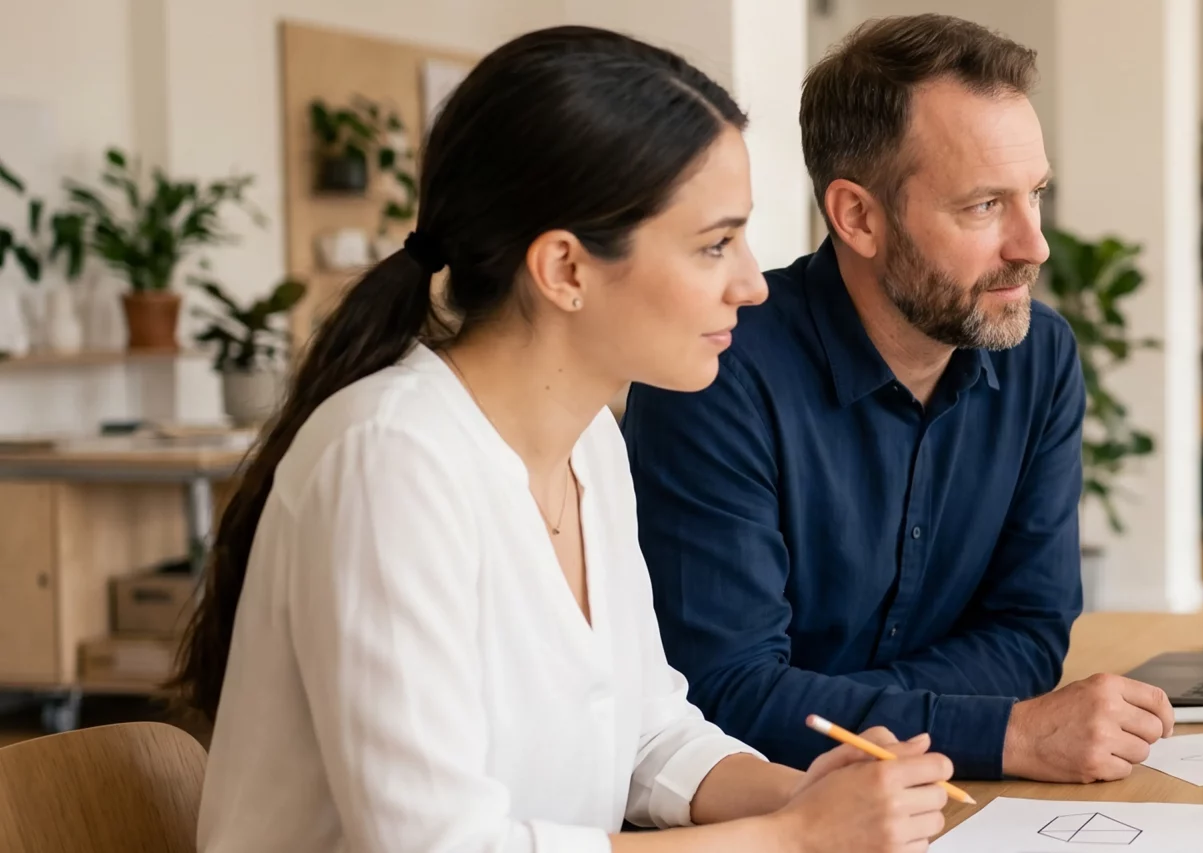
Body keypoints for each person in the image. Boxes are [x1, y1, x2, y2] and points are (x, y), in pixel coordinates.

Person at [179, 27, 953, 853]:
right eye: (714, 244)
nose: (752, 282)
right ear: (565, 270)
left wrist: (804, 793)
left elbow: (648, 735)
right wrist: (791, 837)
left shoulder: (590, 446)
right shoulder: (390, 461)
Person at [620, 13, 1174, 783]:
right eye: (985, 205)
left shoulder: (1039, 357)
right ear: (858, 216)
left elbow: (1030, 632)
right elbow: (725, 693)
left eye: (1036, 194)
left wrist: (836, 704)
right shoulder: (717, 371)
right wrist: (1007, 733)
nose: (1034, 244)